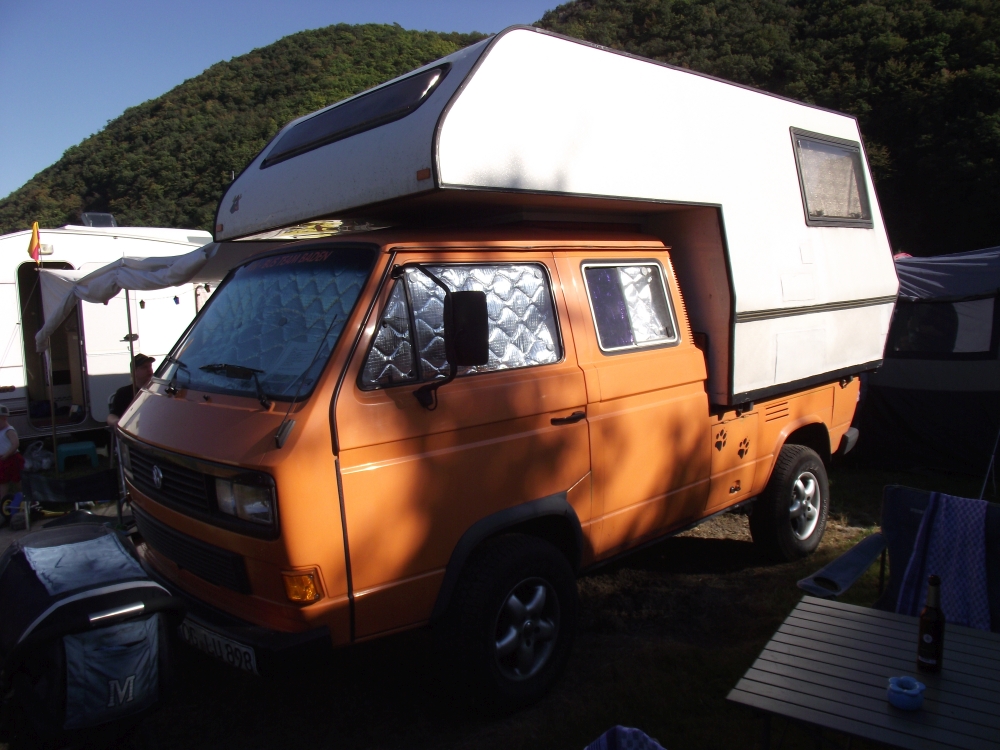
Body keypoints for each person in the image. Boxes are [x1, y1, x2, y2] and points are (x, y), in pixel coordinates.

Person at [107, 354, 155, 426]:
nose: (149, 370)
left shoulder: (157, 390)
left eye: (150, 366)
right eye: (144, 367)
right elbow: (112, 415)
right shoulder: (123, 393)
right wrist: (115, 422)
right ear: (134, 372)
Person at [0, 404, 24, 500]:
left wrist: (6, 455)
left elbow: (15, 444)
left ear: (4, 418)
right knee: (2, 481)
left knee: (17, 479)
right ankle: (2, 500)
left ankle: (25, 496)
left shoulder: (9, 430)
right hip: (2, 460)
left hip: (12, 458)